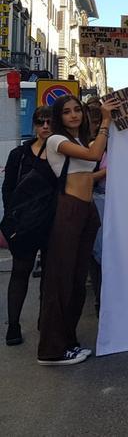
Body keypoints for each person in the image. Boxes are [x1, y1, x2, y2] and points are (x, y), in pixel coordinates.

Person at [37, 95, 117, 365]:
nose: (73, 115)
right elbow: (95, 156)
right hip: (69, 211)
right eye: (67, 112)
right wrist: (105, 120)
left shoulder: (80, 140)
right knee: (61, 281)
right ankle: (52, 349)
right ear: (58, 117)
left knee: (75, 282)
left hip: (85, 211)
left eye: (77, 110)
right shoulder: (55, 140)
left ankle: (68, 342)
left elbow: (86, 174)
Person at [3, 106, 53, 345]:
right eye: (40, 122)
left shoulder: (62, 152)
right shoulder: (19, 154)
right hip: (24, 226)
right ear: (34, 125)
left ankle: (45, 323)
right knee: (20, 273)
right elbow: (8, 189)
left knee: (49, 276)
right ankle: (13, 325)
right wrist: (12, 220)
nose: (45, 126)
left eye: (49, 122)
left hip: (51, 223)